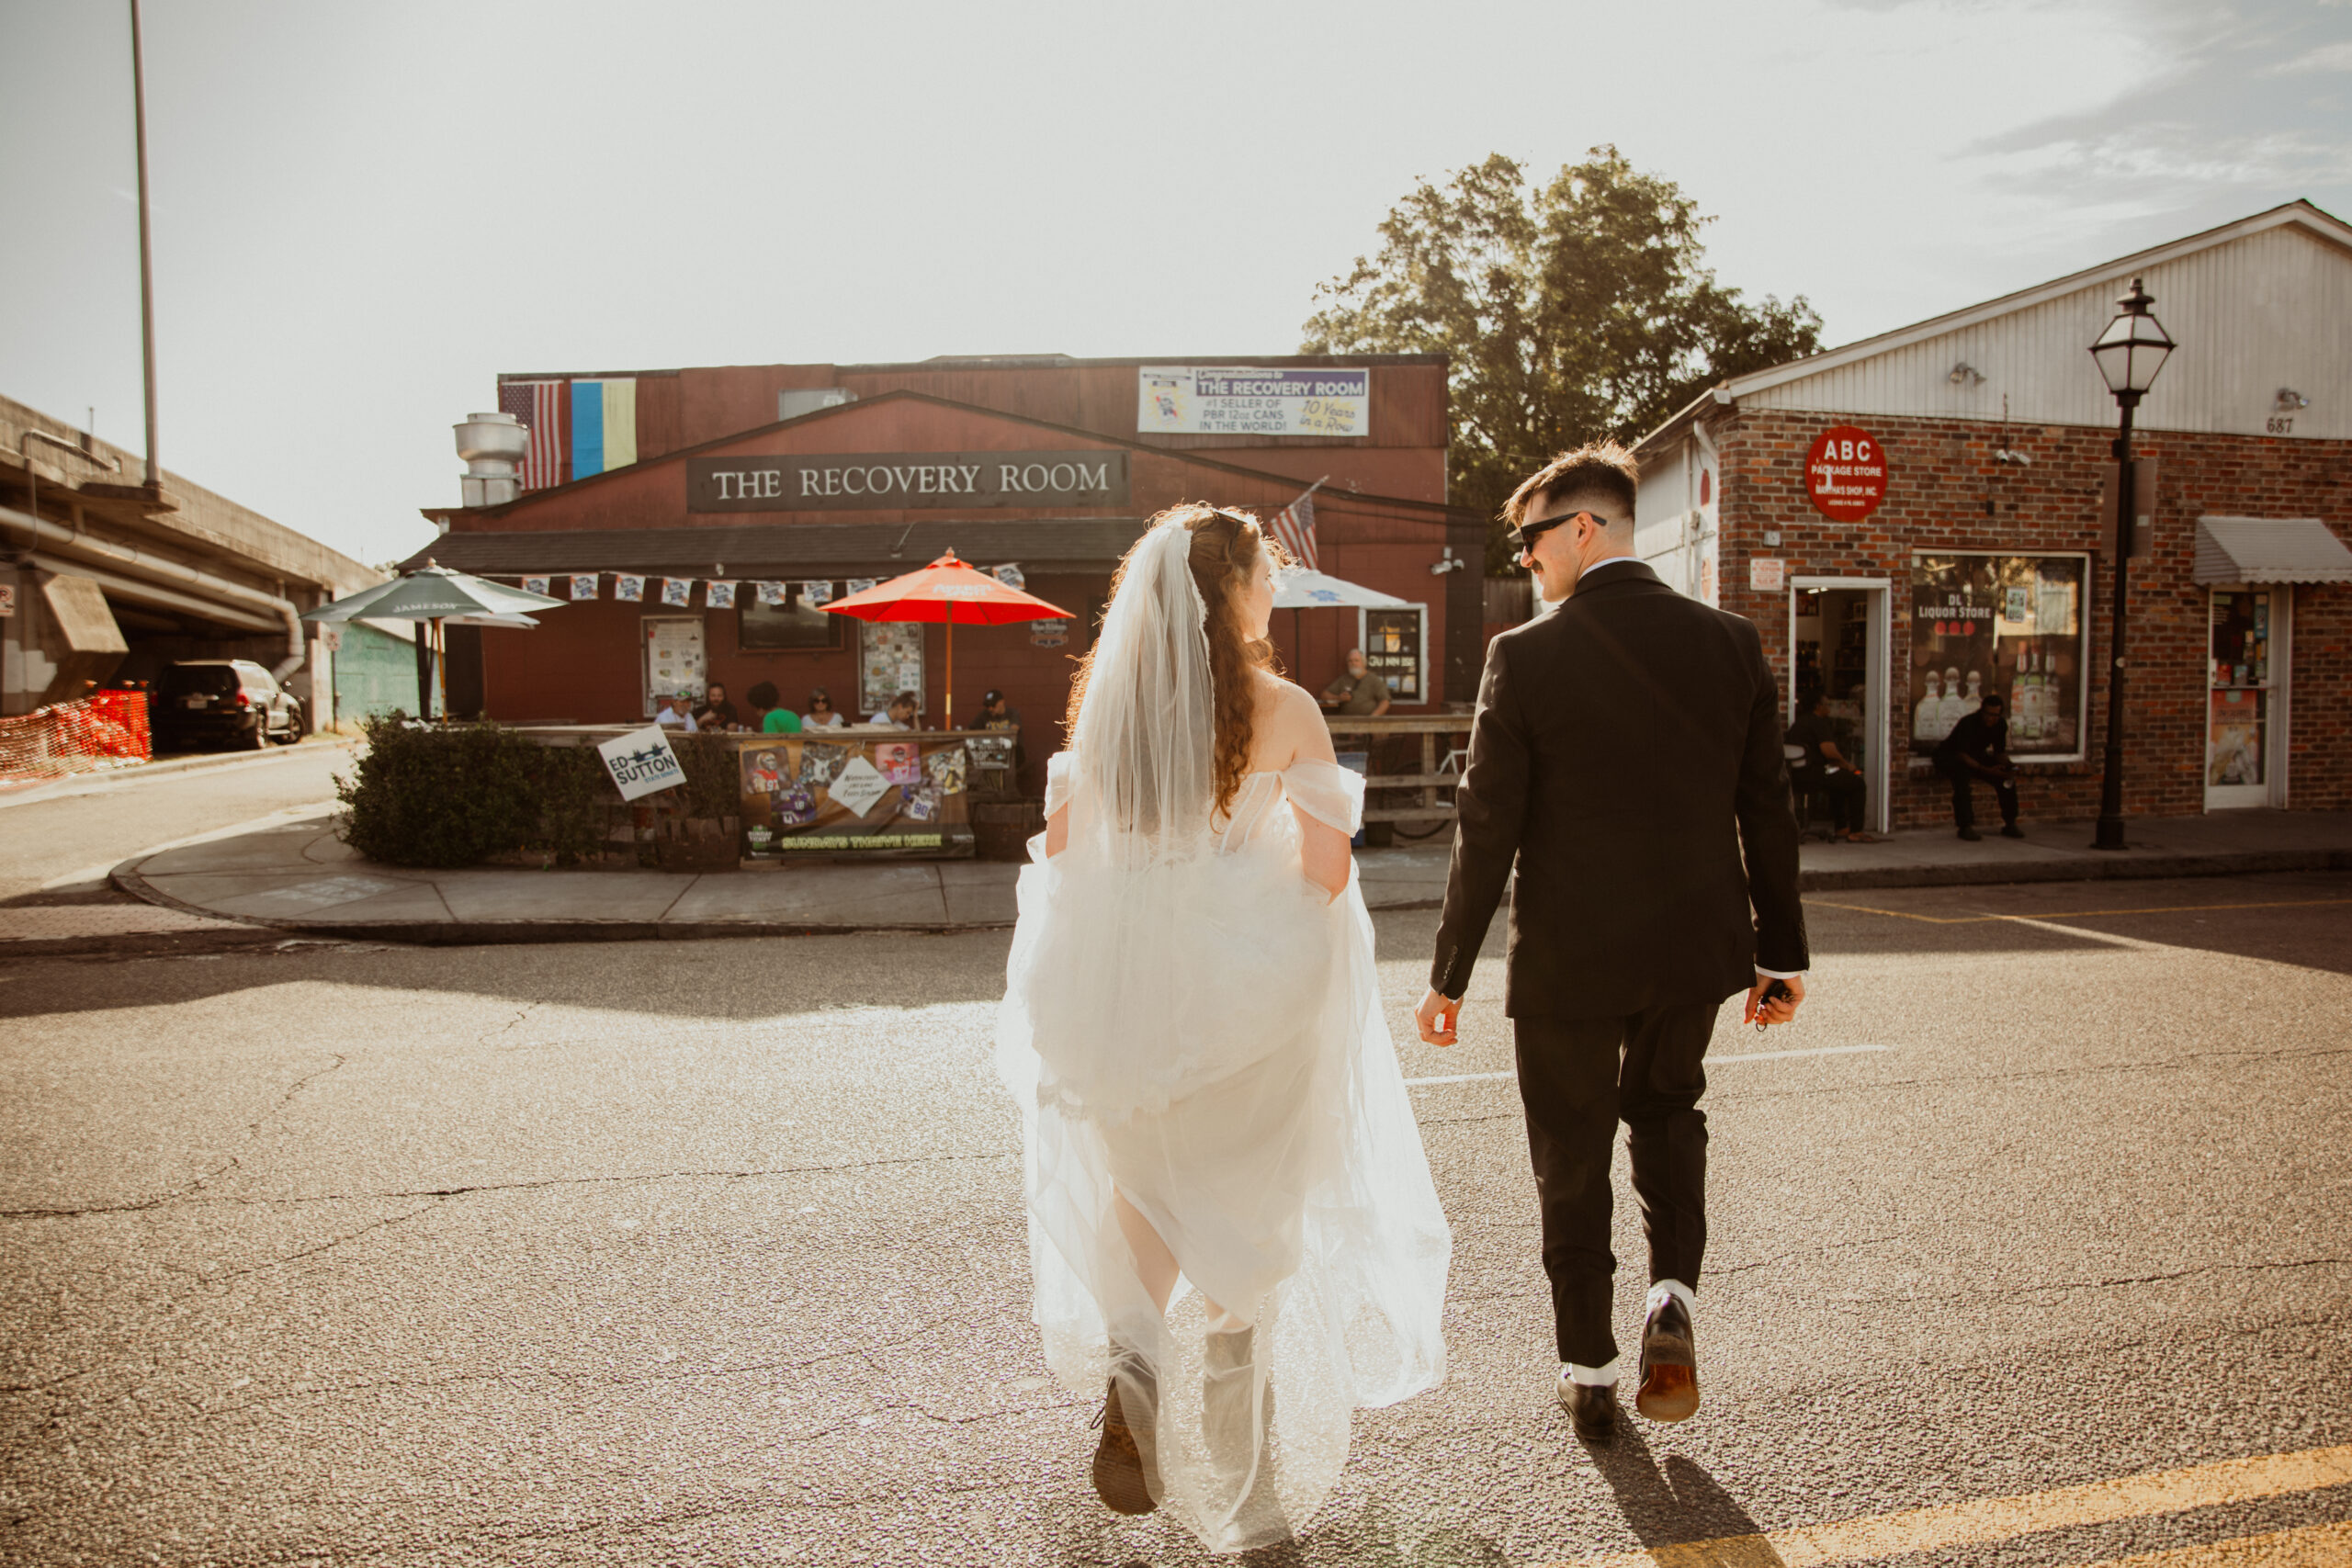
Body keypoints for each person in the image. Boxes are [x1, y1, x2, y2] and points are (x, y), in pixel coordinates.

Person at [997, 504, 1449, 1551]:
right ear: (1233, 589)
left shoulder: (1105, 713)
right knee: (1252, 1214)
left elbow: (1062, 858)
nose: (1279, 586)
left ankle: (1134, 1365)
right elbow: (1328, 873)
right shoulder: (1282, 705)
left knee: (1145, 1192)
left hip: (1115, 992)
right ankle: (1244, 1496)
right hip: (1249, 990)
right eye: (1269, 572)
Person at [1415, 440, 1808, 1448]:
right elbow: (1766, 807)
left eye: (1534, 538)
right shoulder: (1731, 643)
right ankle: (1669, 1295)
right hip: (1697, 945)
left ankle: (1587, 1365)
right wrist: (1781, 953)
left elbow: (1485, 826)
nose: (1528, 559)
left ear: (1584, 529)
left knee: (1570, 1151)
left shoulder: (1526, 656)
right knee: (1669, 1110)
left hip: (1567, 957)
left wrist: (1448, 975)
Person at [1785, 690, 1873, 842]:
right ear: (1818, 706)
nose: (1829, 707)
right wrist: (1847, 765)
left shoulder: (1798, 723)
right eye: (1827, 704)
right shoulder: (1819, 723)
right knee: (1857, 783)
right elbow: (1829, 751)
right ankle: (1856, 831)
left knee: (1839, 781)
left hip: (1796, 776)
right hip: (1815, 774)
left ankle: (1841, 827)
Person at [1935, 690, 2022, 840]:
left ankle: (2010, 823)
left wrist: (2009, 766)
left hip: (1975, 756)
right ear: (1981, 711)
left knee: (2006, 781)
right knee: (1962, 779)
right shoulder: (1968, 723)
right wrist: (1985, 770)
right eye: (1988, 714)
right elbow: (1960, 754)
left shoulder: (2000, 725)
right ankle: (1965, 826)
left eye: (1995, 715)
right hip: (1950, 756)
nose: (1990, 718)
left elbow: (1998, 753)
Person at [1318, 649, 1391, 716]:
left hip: (1367, 721)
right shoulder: (1344, 679)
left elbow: (1385, 701)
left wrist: (1373, 718)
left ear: (1363, 663)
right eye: (1350, 661)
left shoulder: (1373, 679)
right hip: (1346, 721)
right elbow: (1324, 694)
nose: (1353, 663)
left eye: (1356, 661)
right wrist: (1339, 698)